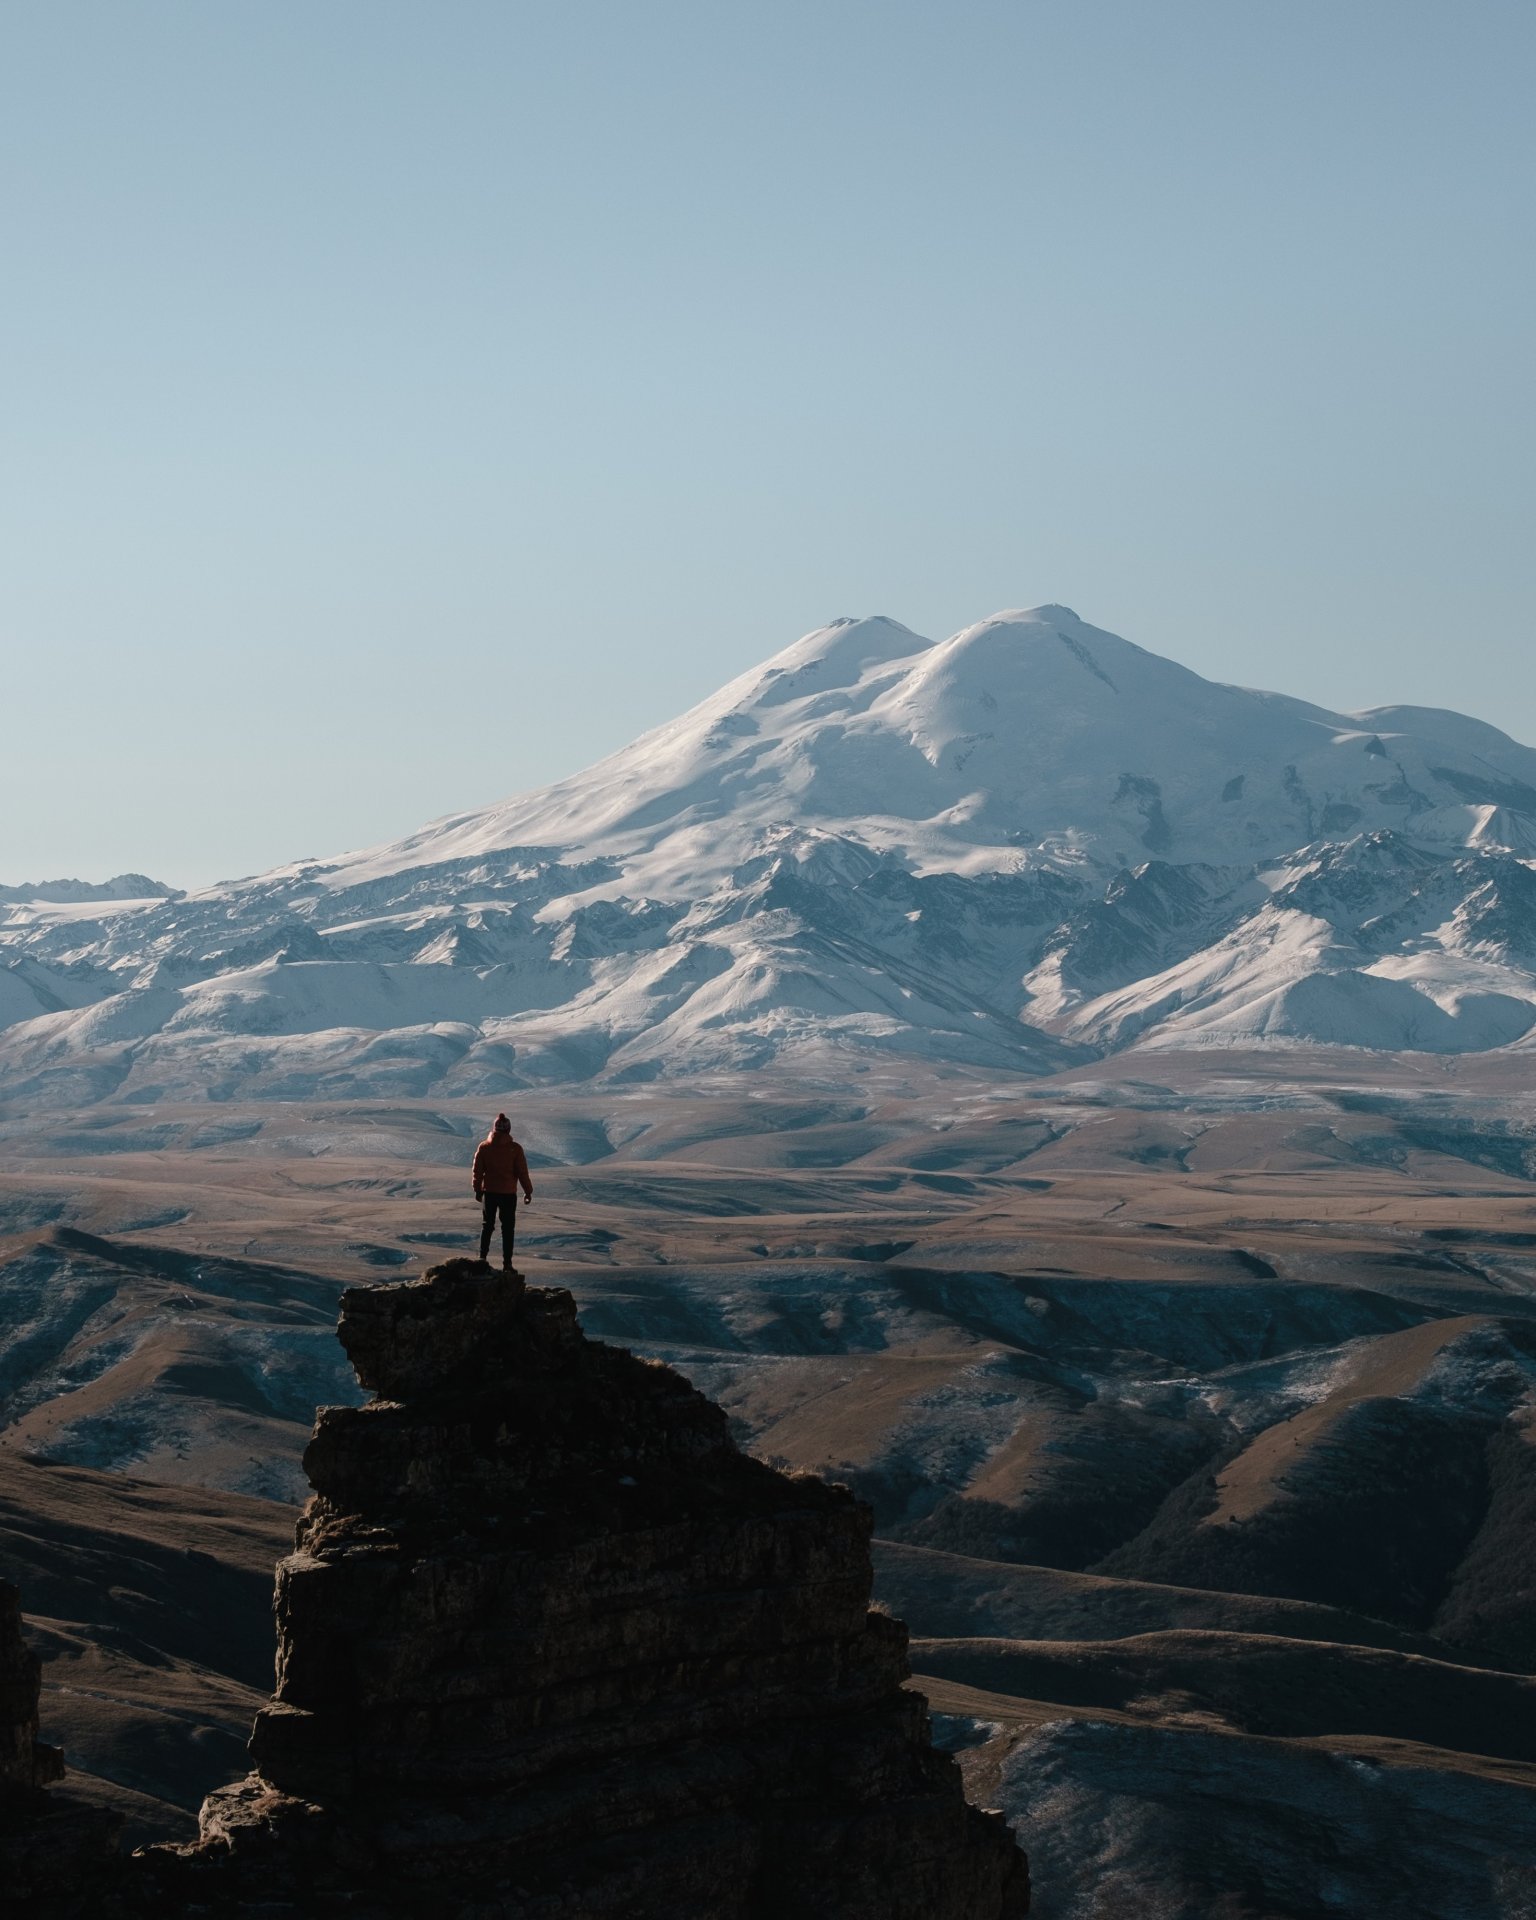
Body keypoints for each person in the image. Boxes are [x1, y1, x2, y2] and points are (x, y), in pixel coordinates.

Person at [472, 1112, 533, 1273]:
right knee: (508, 1229)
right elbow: (522, 1172)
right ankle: (507, 1264)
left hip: (489, 1193)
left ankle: (482, 1259)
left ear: (494, 1128)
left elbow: (477, 1172)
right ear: (509, 1130)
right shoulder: (515, 1148)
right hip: (508, 1194)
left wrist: (477, 1190)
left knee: (487, 1226)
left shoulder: (484, 1147)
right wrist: (528, 1191)